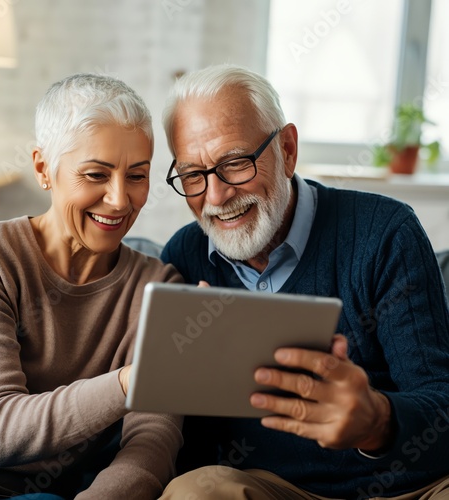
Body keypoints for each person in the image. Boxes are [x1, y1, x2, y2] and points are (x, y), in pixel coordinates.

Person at [158, 64, 449, 499]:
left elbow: (442, 403)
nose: (216, 198)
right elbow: (187, 438)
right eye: (193, 175)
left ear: (288, 149)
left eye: (235, 163)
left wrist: (378, 421)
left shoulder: (386, 231)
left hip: (410, 488)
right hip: (272, 488)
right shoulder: (185, 256)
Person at [0, 73, 183, 499]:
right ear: (44, 168)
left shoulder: (158, 286)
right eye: (96, 174)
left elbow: (152, 441)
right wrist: (131, 379)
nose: (119, 199)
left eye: (137, 175)